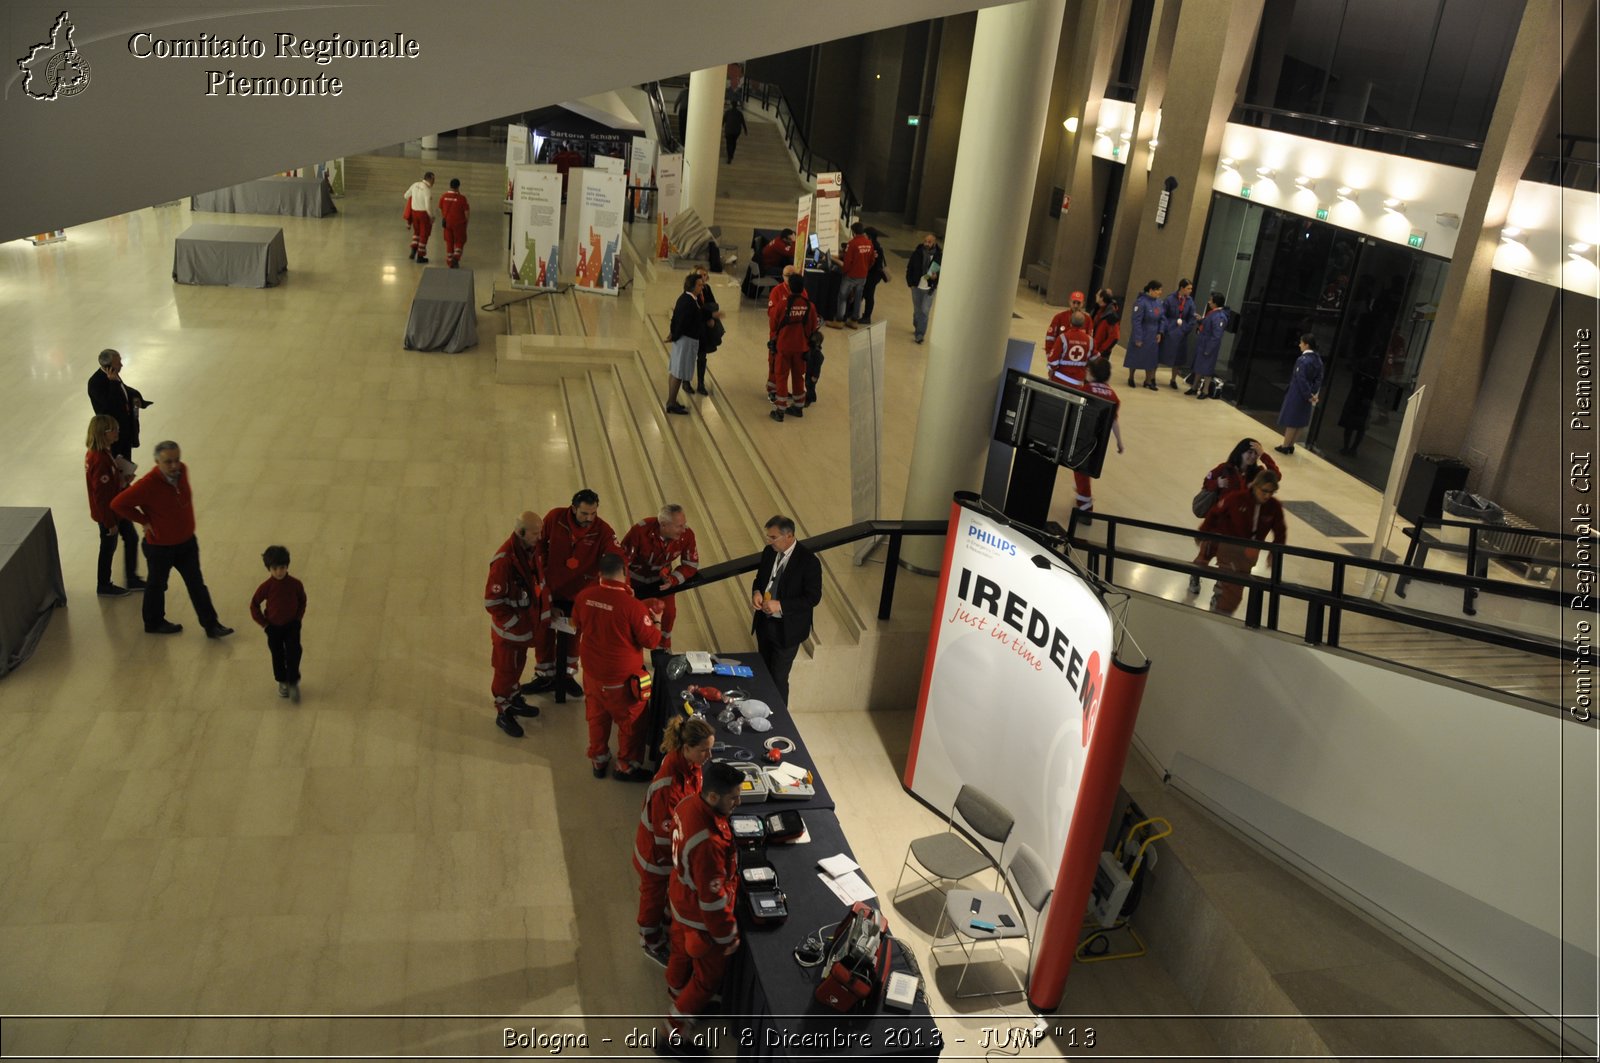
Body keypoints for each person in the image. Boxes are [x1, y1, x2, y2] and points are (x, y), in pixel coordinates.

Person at [110, 440, 233, 638]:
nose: (174, 465)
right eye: (168, 462)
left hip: (186, 543)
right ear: (157, 462)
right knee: (156, 585)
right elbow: (118, 503)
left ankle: (211, 625)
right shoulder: (147, 485)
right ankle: (153, 622)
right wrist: (143, 520)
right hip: (160, 547)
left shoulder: (182, 471)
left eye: (177, 460)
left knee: (196, 584)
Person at [662, 761, 744, 1042]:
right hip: (699, 917)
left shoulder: (688, 803)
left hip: (680, 899)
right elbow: (712, 901)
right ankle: (676, 1027)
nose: (738, 801)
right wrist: (727, 935)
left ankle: (676, 992)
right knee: (707, 978)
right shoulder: (708, 843)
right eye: (733, 797)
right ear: (712, 797)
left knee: (680, 952)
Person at [570, 553, 665, 781]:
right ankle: (627, 766)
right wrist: (658, 620)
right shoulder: (632, 607)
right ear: (625, 573)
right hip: (623, 682)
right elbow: (652, 641)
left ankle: (599, 759)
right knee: (631, 723)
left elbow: (576, 624)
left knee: (596, 718)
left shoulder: (584, 597)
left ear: (600, 574)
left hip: (592, 676)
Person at [634, 714, 716, 966]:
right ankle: (650, 941)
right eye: (704, 751)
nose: (709, 757)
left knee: (662, 896)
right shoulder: (668, 784)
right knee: (652, 900)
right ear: (687, 748)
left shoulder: (691, 766)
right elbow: (663, 835)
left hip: (670, 855)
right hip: (655, 857)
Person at [527, 489, 622, 697]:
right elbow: (540, 543)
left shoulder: (603, 530)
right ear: (573, 508)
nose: (589, 518)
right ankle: (544, 675)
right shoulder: (554, 518)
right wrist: (541, 566)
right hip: (551, 589)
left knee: (573, 636)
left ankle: (567, 676)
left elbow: (616, 556)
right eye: (584, 514)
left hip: (580, 594)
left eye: (593, 514)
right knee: (544, 632)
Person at [1188, 439, 1280, 594]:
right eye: (1249, 452)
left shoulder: (1258, 474)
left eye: (1255, 454)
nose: (1252, 457)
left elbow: (1275, 476)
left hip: (1240, 530)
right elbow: (1207, 482)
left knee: (1228, 564)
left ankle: (1218, 594)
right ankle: (1195, 575)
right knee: (1205, 555)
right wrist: (1217, 483)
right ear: (1240, 452)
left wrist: (1264, 455)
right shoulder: (1224, 469)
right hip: (1219, 525)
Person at [750, 515, 822, 704]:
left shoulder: (809, 562)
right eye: (768, 537)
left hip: (788, 628)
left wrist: (780, 604)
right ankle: (761, 709)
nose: (769, 541)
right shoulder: (769, 552)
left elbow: (813, 597)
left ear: (789, 536)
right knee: (763, 671)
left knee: (779, 677)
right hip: (765, 623)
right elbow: (759, 580)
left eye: (773, 537)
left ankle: (779, 717)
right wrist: (757, 592)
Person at [485, 511, 544, 737]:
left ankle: (514, 697)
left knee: (518, 666)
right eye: (535, 533)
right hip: (509, 634)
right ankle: (503, 709)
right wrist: (515, 623)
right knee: (505, 671)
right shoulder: (503, 562)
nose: (540, 537)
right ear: (521, 533)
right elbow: (492, 601)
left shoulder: (529, 551)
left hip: (523, 630)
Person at [1198, 470, 1286, 616]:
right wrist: (1203, 532)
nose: (1267, 496)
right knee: (1232, 587)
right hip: (1229, 547)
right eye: (1264, 491)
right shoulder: (1236, 499)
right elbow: (1214, 513)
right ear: (1256, 486)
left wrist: (1274, 554)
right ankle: (1220, 611)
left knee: (1236, 584)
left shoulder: (1274, 507)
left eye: (1272, 492)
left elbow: (1280, 531)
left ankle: (1220, 598)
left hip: (1249, 554)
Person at [623, 504, 700, 651]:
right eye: (679, 526)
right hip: (634, 583)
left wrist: (673, 580)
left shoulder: (687, 535)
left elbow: (691, 564)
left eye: (684, 524)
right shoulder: (640, 531)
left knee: (669, 615)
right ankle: (631, 650)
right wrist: (626, 588)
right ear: (663, 525)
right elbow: (623, 562)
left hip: (662, 582)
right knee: (630, 618)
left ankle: (663, 648)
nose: (684, 529)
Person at [84, 414, 143, 597]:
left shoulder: (103, 453)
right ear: (103, 433)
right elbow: (101, 496)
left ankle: (131, 579)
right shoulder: (100, 460)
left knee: (131, 539)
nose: (118, 432)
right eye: (114, 429)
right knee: (108, 548)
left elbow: (109, 485)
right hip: (109, 513)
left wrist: (123, 480)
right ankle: (104, 584)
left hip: (116, 508)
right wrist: (109, 522)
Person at [249, 545, 307, 703]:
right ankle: (282, 681)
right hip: (273, 628)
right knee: (278, 655)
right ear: (269, 569)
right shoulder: (266, 587)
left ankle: (293, 681)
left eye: (282, 567)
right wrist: (265, 624)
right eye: (275, 568)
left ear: (287, 566)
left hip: (292, 626)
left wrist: (297, 619)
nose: (279, 572)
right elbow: (254, 605)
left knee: (294, 652)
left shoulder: (295, 584)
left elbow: (302, 600)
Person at [1070, 357, 1125, 513]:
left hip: (1082, 438)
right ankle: (1082, 493)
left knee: (1080, 469)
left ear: (1092, 374)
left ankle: (1085, 505)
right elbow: (1114, 421)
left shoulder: (1084, 391)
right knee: (1085, 469)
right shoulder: (1113, 396)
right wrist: (1119, 442)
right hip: (1099, 441)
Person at [767, 272, 818, 422]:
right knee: (798, 376)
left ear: (789, 287)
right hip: (801, 348)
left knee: (781, 376)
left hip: (784, 347)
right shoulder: (810, 306)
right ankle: (798, 406)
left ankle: (780, 409)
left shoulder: (783, 305)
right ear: (803, 288)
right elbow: (813, 326)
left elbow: (773, 324)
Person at [87, 349, 152, 464]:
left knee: (125, 467)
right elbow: (109, 406)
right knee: (115, 466)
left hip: (123, 432)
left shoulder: (113, 375)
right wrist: (113, 383)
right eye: (118, 363)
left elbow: (125, 390)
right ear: (108, 366)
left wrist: (139, 399)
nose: (121, 365)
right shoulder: (96, 382)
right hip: (112, 437)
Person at [1275, 333, 1325, 454]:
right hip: (1308, 394)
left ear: (1306, 345)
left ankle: (1286, 445)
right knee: (1300, 420)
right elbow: (1319, 378)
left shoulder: (1302, 360)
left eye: (1301, 343)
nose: (1299, 345)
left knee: (1292, 420)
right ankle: (1292, 445)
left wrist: (1307, 394)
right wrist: (1312, 393)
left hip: (1298, 393)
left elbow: (1300, 379)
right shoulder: (1318, 359)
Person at [665, 273, 704, 415]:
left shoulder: (685, 298)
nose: (702, 287)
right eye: (699, 285)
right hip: (685, 341)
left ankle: (672, 401)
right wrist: (675, 335)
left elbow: (675, 318)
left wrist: (673, 334)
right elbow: (682, 322)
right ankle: (671, 402)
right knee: (678, 372)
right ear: (692, 286)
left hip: (681, 340)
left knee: (676, 371)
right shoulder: (688, 301)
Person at [828, 221, 876, 328]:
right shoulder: (869, 243)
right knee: (858, 297)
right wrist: (865, 269)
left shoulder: (852, 244)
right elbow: (872, 260)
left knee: (842, 297)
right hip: (862, 276)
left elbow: (847, 261)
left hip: (850, 276)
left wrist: (843, 271)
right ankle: (854, 320)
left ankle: (839, 320)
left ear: (853, 232)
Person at [764, 264, 799, 405]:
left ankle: (782, 390)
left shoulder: (801, 291)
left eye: (793, 276)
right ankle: (773, 390)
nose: (790, 279)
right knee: (775, 363)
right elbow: (771, 313)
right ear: (783, 277)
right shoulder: (777, 292)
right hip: (779, 335)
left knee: (791, 366)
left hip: (795, 337)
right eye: (787, 276)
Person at [1188, 292, 1230, 398]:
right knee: (1198, 366)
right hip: (1203, 343)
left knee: (1207, 369)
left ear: (1216, 303)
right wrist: (1200, 320)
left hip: (1209, 345)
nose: (1209, 302)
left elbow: (1217, 336)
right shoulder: (1212, 313)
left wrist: (1209, 349)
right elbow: (1207, 323)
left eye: (1211, 300)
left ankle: (1205, 391)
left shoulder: (1220, 316)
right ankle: (1194, 387)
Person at [1125, 280, 1165, 389]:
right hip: (1142, 332)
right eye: (1158, 290)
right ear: (1151, 290)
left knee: (1151, 359)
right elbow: (1136, 321)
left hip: (1153, 335)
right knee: (1135, 356)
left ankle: (1148, 381)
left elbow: (1162, 318)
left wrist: (1160, 332)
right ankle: (1131, 377)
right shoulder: (1141, 302)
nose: (1160, 292)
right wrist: (1138, 337)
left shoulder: (1159, 303)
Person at [1045, 305, 1094, 389]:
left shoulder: (1063, 337)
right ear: (1083, 324)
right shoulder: (1090, 340)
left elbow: (1053, 360)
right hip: (1078, 383)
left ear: (1070, 322)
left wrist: (1051, 371)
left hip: (1059, 379)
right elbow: (1093, 359)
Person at [693, 265, 724, 397]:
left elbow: (713, 304)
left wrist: (710, 313)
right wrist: (709, 316)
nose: (703, 278)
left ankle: (701, 383)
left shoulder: (707, 288)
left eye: (705, 275)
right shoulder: (691, 290)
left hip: (705, 329)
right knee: (690, 356)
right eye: (700, 275)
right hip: (695, 327)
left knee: (702, 356)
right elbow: (696, 309)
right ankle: (686, 382)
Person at [1159, 279, 1196, 388]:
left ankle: (1173, 379)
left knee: (1178, 359)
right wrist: (1166, 327)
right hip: (1169, 331)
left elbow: (1192, 318)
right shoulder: (1170, 299)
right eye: (1188, 288)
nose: (1190, 291)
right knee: (1160, 354)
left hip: (1181, 333)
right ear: (1182, 288)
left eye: (1191, 289)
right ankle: (1151, 378)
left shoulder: (1190, 301)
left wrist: (1185, 329)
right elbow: (1163, 315)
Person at [905, 233, 941, 344]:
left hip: (930, 288)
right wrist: (910, 283)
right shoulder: (917, 253)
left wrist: (936, 278)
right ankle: (917, 325)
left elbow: (941, 271)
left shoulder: (938, 256)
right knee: (917, 311)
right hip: (917, 286)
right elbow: (910, 268)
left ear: (934, 243)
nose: (926, 243)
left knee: (925, 311)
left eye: (929, 242)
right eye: (925, 241)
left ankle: (920, 334)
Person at [403, 171, 436, 263]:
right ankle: (420, 256)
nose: (434, 182)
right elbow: (428, 207)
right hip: (423, 214)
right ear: (430, 179)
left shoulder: (415, 185)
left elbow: (406, 196)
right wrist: (432, 216)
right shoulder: (427, 190)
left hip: (414, 213)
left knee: (416, 233)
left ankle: (413, 251)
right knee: (424, 235)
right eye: (433, 180)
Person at [437, 177, 470, 269]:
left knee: (449, 242)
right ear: (458, 186)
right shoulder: (462, 198)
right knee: (460, 241)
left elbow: (441, 209)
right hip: (459, 224)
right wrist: (466, 223)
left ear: (450, 186)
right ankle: (456, 258)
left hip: (447, 223)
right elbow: (466, 212)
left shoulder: (443, 196)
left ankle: (449, 261)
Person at [859, 227, 889, 325]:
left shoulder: (874, 247)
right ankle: (863, 314)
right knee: (866, 294)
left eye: (865, 235)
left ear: (869, 236)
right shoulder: (875, 245)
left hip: (873, 275)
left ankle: (867, 317)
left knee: (868, 295)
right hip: (873, 274)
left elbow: (873, 263)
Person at [1090, 288, 1121, 357]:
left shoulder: (1111, 316)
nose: (1095, 295)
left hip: (1101, 353)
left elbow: (1114, 337)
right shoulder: (1096, 309)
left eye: (1098, 294)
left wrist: (1101, 351)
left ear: (1101, 298)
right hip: (1092, 349)